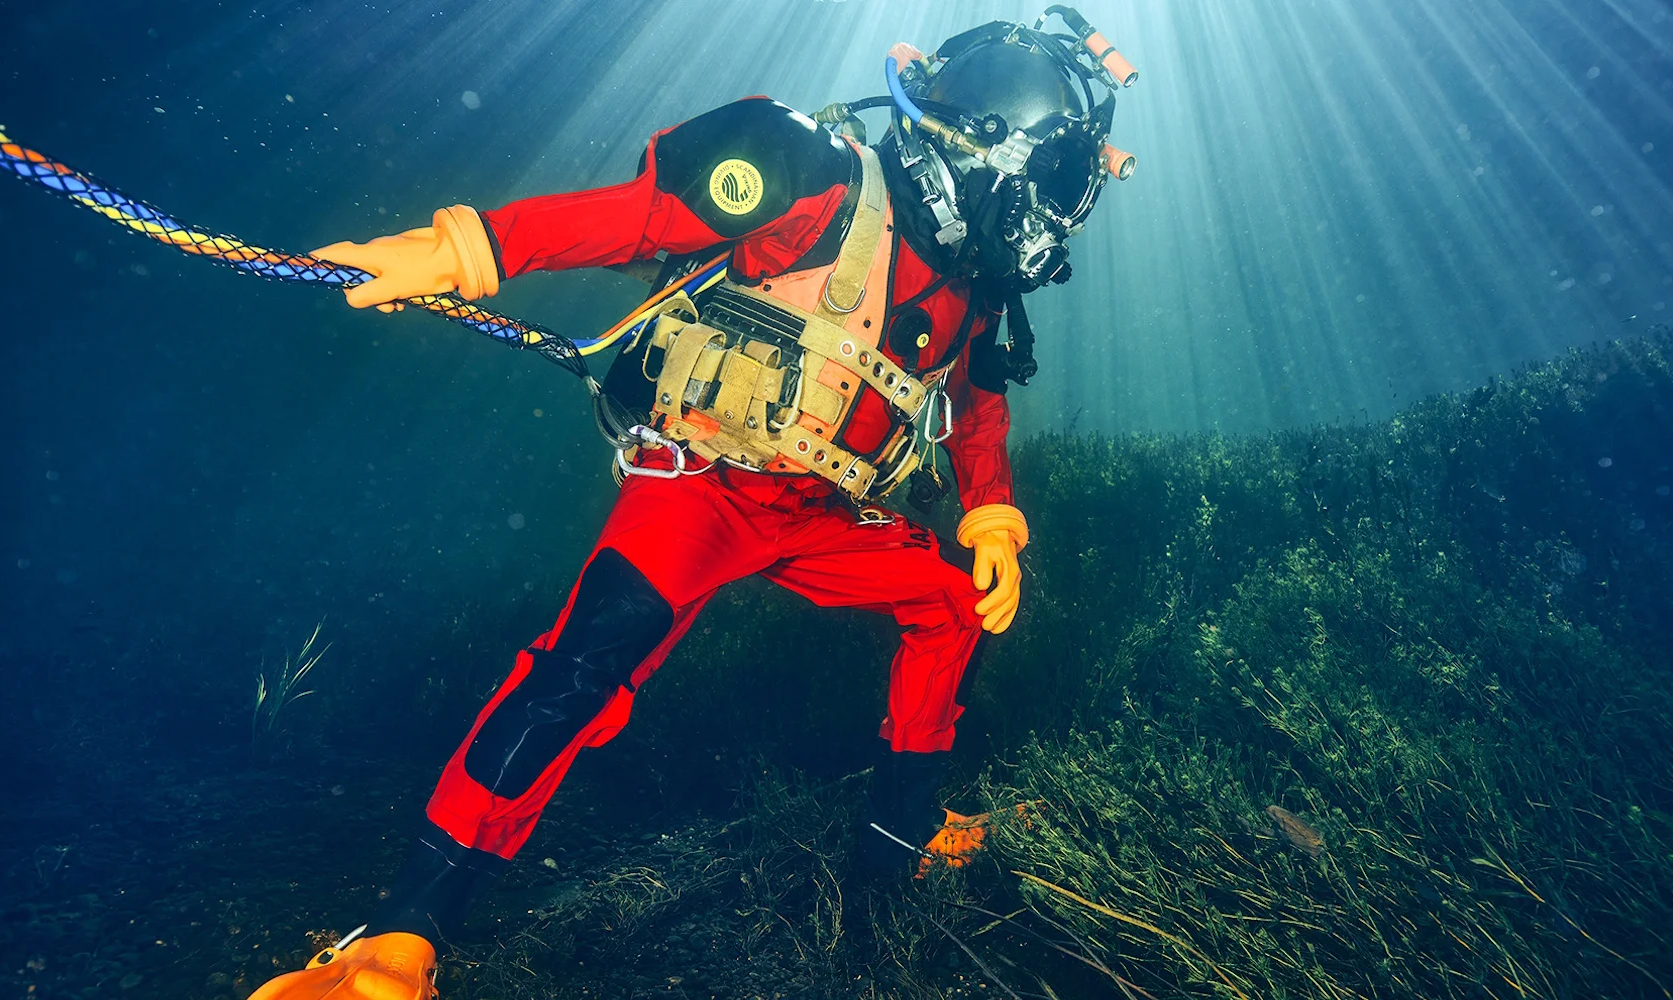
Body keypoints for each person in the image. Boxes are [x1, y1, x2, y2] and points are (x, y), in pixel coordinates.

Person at [250, 9, 1137, 997]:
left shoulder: (972, 290)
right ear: (979, 138)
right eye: (1056, 182)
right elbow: (639, 217)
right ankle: (402, 929)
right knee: (583, 669)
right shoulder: (822, 183)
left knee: (948, 605)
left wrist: (990, 519)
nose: (1055, 220)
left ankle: (901, 836)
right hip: (702, 487)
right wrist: (461, 250)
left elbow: (973, 405)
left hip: (823, 514)